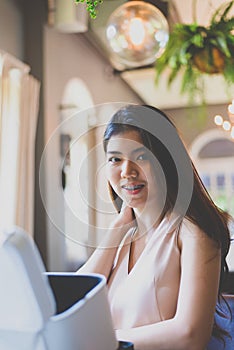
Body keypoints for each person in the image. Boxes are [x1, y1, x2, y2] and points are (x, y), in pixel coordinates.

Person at [78, 104, 231, 350]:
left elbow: (190, 335)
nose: (127, 171)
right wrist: (116, 229)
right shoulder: (123, 235)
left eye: (141, 156)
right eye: (115, 159)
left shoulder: (193, 232)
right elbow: (72, 301)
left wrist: (103, 340)